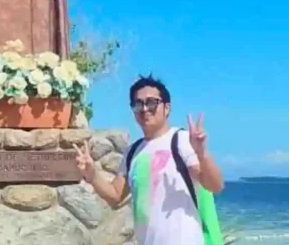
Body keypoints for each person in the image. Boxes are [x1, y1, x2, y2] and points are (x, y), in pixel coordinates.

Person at [75, 75, 224, 245]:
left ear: (166, 108)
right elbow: (115, 196)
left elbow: (215, 185)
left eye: (151, 102)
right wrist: (92, 174)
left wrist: (202, 153)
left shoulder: (181, 140)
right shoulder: (133, 152)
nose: (144, 109)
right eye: (138, 104)